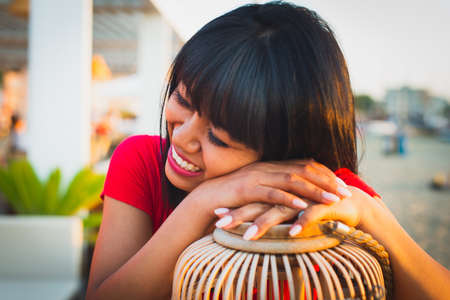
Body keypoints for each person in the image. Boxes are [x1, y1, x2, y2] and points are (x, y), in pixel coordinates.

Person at [86, 2, 450, 299]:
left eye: (220, 137)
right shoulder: (142, 160)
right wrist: (199, 204)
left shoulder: (316, 189)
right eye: (182, 100)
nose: (183, 138)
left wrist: (371, 212)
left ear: (281, 149)